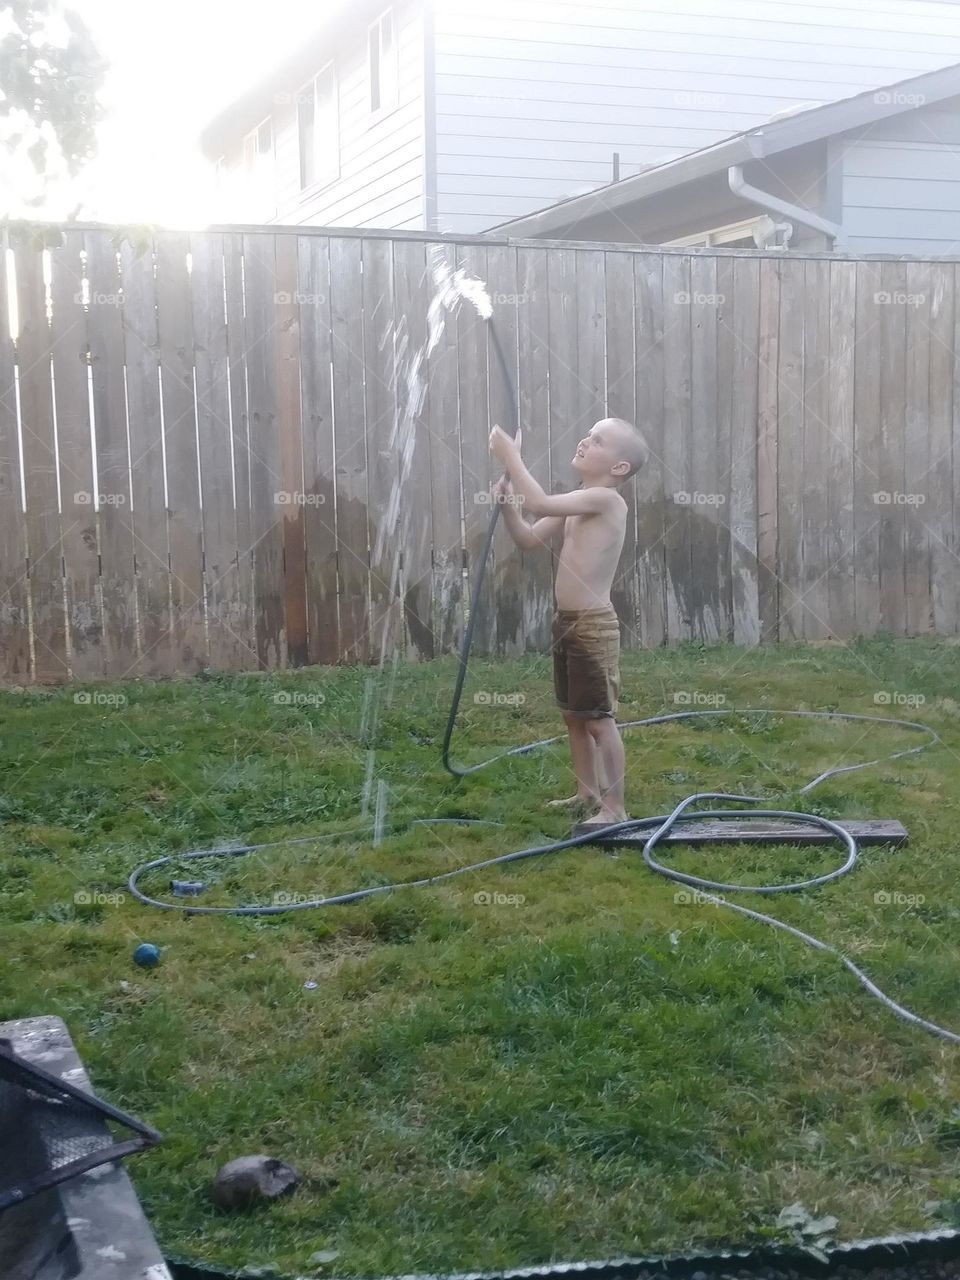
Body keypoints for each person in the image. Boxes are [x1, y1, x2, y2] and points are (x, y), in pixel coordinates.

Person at [489, 417, 649, 827]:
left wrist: (511, 457)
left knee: (597, 718)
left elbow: (540, 502)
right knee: (573, 715)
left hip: (593, 627)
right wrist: (508, 508)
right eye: (589, 434)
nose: (585, 440)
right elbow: (528, 538)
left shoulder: (607, 501)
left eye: (598, 440)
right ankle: (586, 793)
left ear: (619, 468)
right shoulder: (581, 498)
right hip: (566, 622)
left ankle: (615, 808)